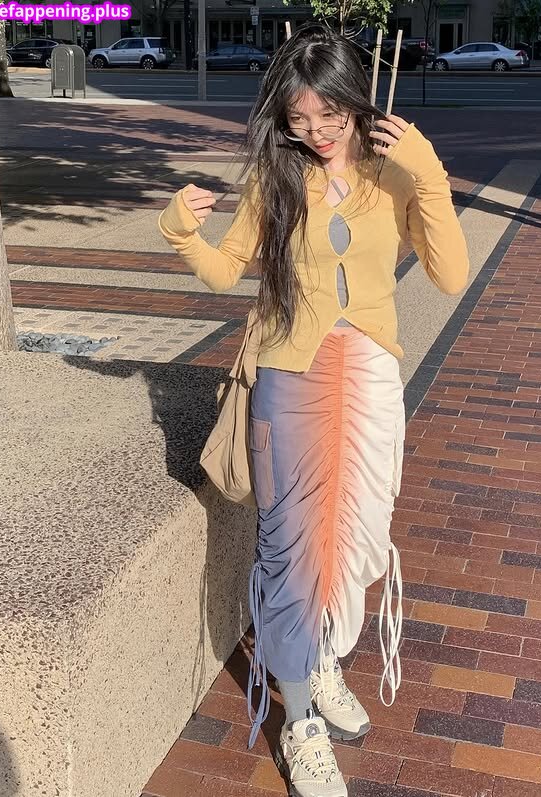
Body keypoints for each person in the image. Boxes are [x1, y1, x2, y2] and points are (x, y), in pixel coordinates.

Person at [158, 23, 469, 797]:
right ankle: (299, 718)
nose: (317, 132)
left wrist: (428, 171)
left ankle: (323, 660)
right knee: (289, 551)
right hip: (288, 384)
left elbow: (452, 275)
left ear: (354, 102)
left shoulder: (394, 175)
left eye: (329, 115)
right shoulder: (278, 176)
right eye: (299, 120)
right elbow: (225, 270)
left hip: (369, 384)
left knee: (355, 540)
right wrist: (180, 232)